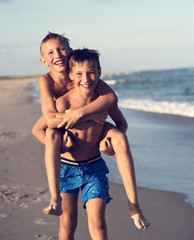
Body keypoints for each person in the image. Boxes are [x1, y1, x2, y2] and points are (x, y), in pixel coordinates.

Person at [56, 48, 149, 239]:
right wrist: (62, 146)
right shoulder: (64, 103)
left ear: (99, 71)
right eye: (80, 74)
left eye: (91, 72)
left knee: (98, 223)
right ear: (71, 75)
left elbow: (122, 124)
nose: (86, 78)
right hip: (67, 169)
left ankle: (134, 204)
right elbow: (50, 134)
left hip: (94, 169)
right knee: (68, 225)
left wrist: (110, 146)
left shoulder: (105, 100)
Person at [32, 32, 117, 216]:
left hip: (86, 145)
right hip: (62, 121)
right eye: (51, 53)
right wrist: (59, 147)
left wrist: (80, 113)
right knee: (50, 134)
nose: (57, 55)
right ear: (44, 61)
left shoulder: (82, 77)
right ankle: (55, 197)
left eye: (61, 49)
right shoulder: (46, 81)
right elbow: (49, 120)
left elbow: (111, 98)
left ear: (70, 52)